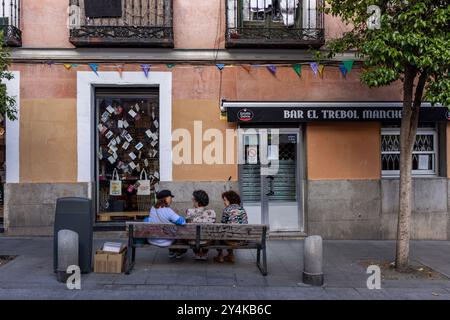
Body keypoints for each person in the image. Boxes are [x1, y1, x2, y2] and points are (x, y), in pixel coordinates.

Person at [145, 190, 187, 259]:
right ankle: (177, 251)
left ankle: (172, 252)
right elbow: (182, 222)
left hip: (152, 239)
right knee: (179, 232)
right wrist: (178, 215)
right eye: (170, 198)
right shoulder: (168, 210)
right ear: (166, 198)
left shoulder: (153, 208)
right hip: (165, 241)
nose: (171, 200)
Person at [214, 190, 248, 263]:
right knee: (231, 232)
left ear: (231, 200)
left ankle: (220, 255)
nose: (224, 202)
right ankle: (231, 255)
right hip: (242, 240)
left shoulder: (227, 209)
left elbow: (223, 224)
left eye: (225, 200)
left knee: (219, 233)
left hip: (229, 239)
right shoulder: (242, 209)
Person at [185, 190, 217, 260]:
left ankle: (197, 253)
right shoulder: (212, 212)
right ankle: (204, 253)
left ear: (197, 201)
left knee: (192, 234)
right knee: (209, 234)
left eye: (193, 198)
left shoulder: (189, 211)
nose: (192, 200)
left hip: (192, 241)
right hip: (207, 241)